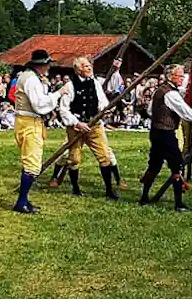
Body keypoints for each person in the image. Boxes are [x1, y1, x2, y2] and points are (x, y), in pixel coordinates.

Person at [139, 65, 192, 212]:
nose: (183, 78)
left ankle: (144, 197)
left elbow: (150, 110)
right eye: (179, 76)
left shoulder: (160, 90)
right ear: (171, 76)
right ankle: (178, 204)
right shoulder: (171, 94)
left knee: (154, 165)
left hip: (156, 132)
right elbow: (188, 114)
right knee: (177, 166)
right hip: (166, 134)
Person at [11, 50, 73, 214]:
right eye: (47, 64)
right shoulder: (31, 79)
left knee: (31, 163)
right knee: (32, 165)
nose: (49, 67)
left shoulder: (29, 77)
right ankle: (21, 202)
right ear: (41, 65)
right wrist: (59, 93)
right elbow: (39, 104)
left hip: (27, 121)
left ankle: (24, 200)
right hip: (30, 122)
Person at [56, 56, 120, 200]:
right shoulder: (70, 86)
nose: (89, 68)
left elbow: (102, 100)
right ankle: (75, 188)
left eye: (89, 66)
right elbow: (63, 109)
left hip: (94, 125)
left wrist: (105, 109)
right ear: (78, 70)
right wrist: (76, 123)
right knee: (74, 159)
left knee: (105, 157)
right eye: (85, 66)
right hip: (76, 127)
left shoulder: (95, 83)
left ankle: (109, 190)